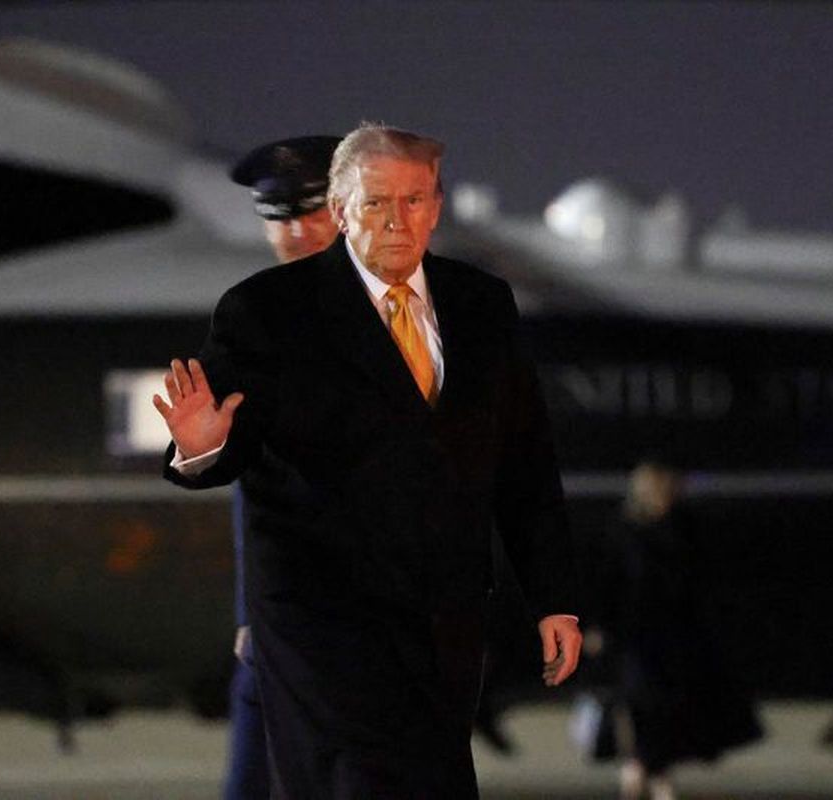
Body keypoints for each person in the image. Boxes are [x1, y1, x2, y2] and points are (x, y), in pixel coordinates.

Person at [154, 123, 582, 798]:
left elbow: (523, 464)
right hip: (320, 627)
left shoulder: (478, 305)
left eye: (411, 201)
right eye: (376, 202)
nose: (296, 232)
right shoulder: (262, 313)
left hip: (441, 622)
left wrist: (553, 599)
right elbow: (237, 458)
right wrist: (202, 444)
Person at [222, 135, 341, 800]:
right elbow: (255, 489)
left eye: (309, 212)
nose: (294, 233)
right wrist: (251, 611)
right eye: (277, 218)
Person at [606, 463, 762, 800]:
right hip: (636, 638)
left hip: (674, 638)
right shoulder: (626, 533)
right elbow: (613, 586)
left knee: (666, 706)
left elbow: (695, 585)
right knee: (640, 703)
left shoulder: (682, 530)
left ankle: (649, 770)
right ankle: (645, 769)